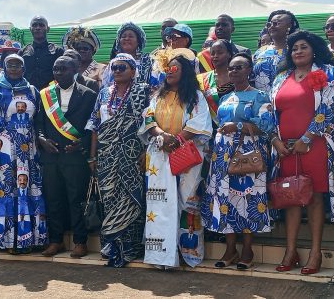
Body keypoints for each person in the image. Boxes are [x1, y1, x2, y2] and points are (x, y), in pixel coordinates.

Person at [270, 30, 334, 275]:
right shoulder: (281, 78)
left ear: (314, 50)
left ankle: (315, 253)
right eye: (294, 48)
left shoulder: (327, 72)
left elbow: (331, 108)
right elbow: (270, 112)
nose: (298, 51)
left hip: (315, 145)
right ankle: (290, 251)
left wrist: (307, 137)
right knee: (290, 196)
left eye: (303, 47)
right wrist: (275, 141)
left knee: (314, 197)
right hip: (285, 148)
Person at [202, 53, 275, 270]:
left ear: (249, 70)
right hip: (223, 154)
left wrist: (238, 126)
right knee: (225, 198)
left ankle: (247, 250)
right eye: (232, 68)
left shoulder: (260, 96)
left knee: (248, 199)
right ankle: (230, 249)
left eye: (239, 67)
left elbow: (266, 126)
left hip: (248, 153)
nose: (234, 71)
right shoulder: (226, 98)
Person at [140, 48, 212, 269]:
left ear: (185, 72)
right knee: (160, 205)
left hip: (186, 156)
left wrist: (177, 140)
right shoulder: (158, 96)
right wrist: (162, 136)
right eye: (167, 68)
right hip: (160, 155)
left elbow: (200, 122)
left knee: (188, 203)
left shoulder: (196, 96)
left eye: (174, 68)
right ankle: (162, 256)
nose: (169, 71)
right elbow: (148, 118)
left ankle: (187, 253)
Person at [87, 53, 150, 267]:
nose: (117, 71)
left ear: (133, 70)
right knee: (110, 198)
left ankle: (130, 247)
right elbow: (95, 125)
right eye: (114, 68)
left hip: (132, 155)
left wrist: (147, 151)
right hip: (107, 156)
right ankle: (111, 246)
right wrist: (92, 156)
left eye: (122, 67)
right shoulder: (104, 93)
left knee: (132, 199)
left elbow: (151, 123)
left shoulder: (143, 91)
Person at [0, 53, 46, 253]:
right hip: (4, 149)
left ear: (24, 69)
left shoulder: (33, 91)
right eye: (10, 65)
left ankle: (29, 240)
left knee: (28, 189)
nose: (14, 68)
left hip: (29, 149)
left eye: (18, 65)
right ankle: (9, 241)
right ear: (4, 68)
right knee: (6, 189)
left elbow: (38, 121)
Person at [36, 56, 97, 258]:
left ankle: (80, 241)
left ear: (75, 70)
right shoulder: (45, 94)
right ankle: (56, 241)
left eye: (63, 69)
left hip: (75, 156)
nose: (59, 73)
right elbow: (38, 123)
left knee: (76, 199)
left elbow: (93, 125)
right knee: (53, 198)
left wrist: (83, 143)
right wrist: (42, 140)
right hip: (51, 156)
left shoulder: (88, 94)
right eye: (56, 69)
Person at [253, 10, 301, 92]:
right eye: (269, 24)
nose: (271, 27)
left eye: (276, 23)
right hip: (262, 99)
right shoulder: (260, 52)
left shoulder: (296, 51)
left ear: (289, 26)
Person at [19, 16, 65, 90]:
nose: (38, 28)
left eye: (41, 25)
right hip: (28, 93)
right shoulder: (22, 52)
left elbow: (64, 74)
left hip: (52, 94)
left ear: (48, 29)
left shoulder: (58, 51)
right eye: (34, 25)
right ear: (30, 29)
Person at [108, 22, 159, 88]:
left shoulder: (150, 61)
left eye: (131, 36)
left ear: (138, 42)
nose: (127, 39)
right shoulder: (114, 63)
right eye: (123, 36)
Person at [198, 40, 237, 121]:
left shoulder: (237, 76)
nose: (215, 56)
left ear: (229, 54)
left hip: (236, 123)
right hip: (211, 124)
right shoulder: (202, 79)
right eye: (212, 53)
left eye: (220, 53)